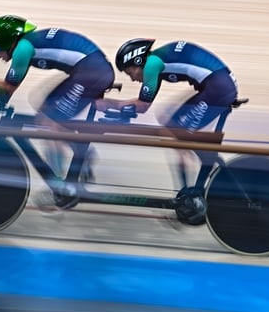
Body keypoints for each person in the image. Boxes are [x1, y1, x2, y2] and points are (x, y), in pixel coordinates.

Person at [0, 15, 115, 209]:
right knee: (44, 110)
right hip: (90, 70)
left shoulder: (23, 48)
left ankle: (61, 188)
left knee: (49, 122)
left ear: (7, 40)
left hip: (92, 72)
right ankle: (81, 151)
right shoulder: (27, 44)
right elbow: (5, 90)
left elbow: (6, 89)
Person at [94, 38, 239, 225]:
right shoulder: (156, 63)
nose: (132, 78)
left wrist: (107, 104)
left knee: (176, 134)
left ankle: (191, 200)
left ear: (137, 61)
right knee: (167, 120)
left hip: (218, 89)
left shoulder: (152, 65)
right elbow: (144, 105)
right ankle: (193, 185)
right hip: (218, 85)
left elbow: (142, 105)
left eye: (130, 72)